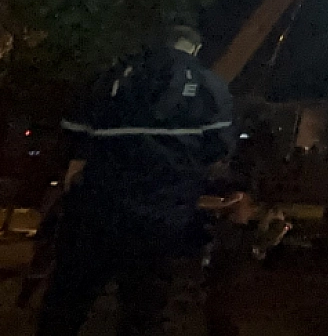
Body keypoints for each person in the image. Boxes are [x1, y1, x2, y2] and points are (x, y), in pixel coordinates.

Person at [35, 25, 236, 336]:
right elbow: (218, 146)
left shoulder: (111, 76)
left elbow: (71, 136)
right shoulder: (208, 85)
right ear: (194, 49)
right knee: (143, 309)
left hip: (96, 208)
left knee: (67, 301)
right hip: (161, 217)